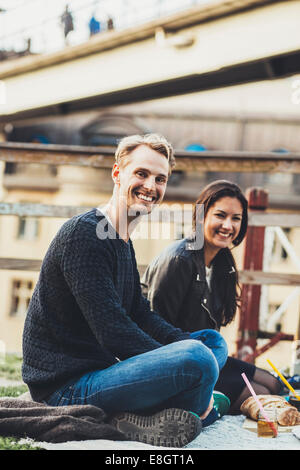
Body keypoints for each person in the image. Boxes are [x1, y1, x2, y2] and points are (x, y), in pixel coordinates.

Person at [22, 135, 228, 447]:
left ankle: (181, 410)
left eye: (160, 179)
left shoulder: (122, 241)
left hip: (101, 372)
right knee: (198, 359)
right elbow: (113, 332)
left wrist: (180, 344)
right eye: (142, 174)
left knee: (211, 342)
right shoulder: (84, 235)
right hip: (66, 388)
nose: (151, 186)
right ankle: (195, 409)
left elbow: (139, 314)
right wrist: (178, 357)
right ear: (118, 174)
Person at [141, 180, 282, 414]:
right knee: (261, 395)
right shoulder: (179, 260)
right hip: (179, 364)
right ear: (201, 216)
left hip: (206, 355)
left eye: (236, 218)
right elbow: (155, 329)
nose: (228, 225)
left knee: (273, 383)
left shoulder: (221, 263)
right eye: (220, 215)